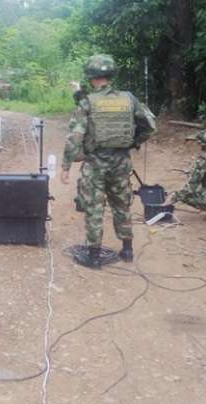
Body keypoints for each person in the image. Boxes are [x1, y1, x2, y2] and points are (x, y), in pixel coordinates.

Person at [61, 54, 156, 268]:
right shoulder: (128, 98)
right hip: (121, 161)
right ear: (111, 75)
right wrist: (132, 143)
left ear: (91, 77)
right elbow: (150, 126)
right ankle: (128, 250)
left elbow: (75, 135)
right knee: (122, 204)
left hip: (95, 163)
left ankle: (94, 256)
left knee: (94, 206)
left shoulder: (88, 101)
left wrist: (66, 166)